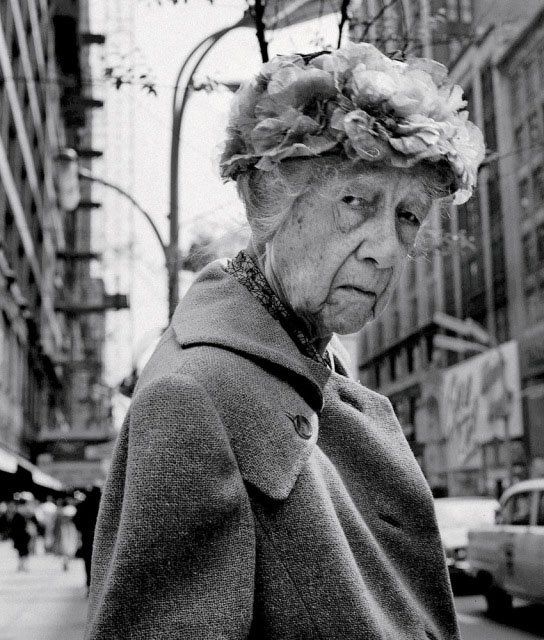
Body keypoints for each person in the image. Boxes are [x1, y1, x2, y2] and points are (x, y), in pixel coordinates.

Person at [86, 43, 484, 640]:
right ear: (267, 200)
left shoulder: (314, 358)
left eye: (408, 215)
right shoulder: (192, 401)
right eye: (356, 200)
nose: (385, 248)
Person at [73, 486, 102, 592]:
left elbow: (76, 521)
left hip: (87, 538)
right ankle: (99, 584)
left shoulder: (82, 506)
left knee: (88, 561)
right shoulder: (103, 505)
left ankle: (89, 584)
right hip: (101, 539)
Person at [7, 498, 34, 571]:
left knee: (20, 551)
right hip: (25, 534)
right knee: (25, 551)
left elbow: (12, 525)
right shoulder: (27, 513)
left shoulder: (16, 513)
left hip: (18, 535)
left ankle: (20, 566)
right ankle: (24, 566)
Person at [53, 497, 79, 571]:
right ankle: (66, 561)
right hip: (67, 529)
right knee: (67, 544)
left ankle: (66, 561)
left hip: (68, 529)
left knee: (67, 544)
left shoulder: (64, 511)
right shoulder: (71, 510)